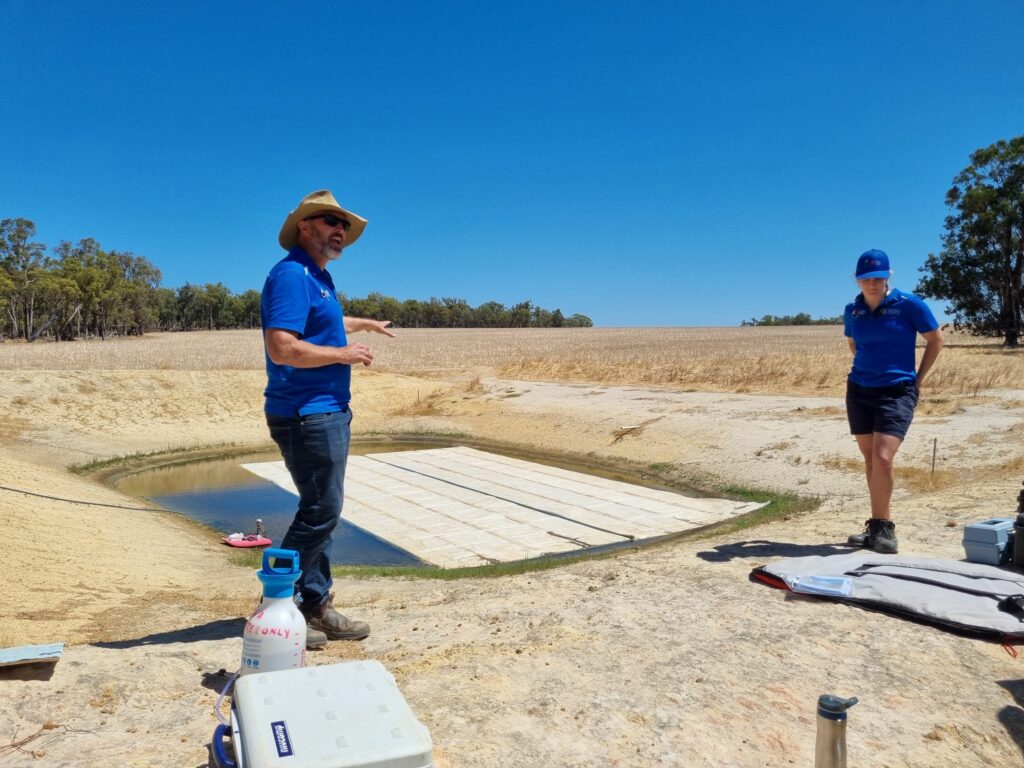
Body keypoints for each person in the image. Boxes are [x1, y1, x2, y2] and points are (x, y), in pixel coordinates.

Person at [261, 189, 395, 650]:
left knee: (319, 511)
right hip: (306, 414)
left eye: (343, 225)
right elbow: (283, 345)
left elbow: (326, 319)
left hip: (327, 411)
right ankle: (277, 604)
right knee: (321, 512)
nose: (339, 231)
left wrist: (364, 324)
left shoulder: (318, 278)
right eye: (329, 221)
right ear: (304, 226)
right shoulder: (293, 275)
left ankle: (315, 604)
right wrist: (343, 353)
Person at [844, 249, 944, 554]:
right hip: (860, 390)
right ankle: (876, 525)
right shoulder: (853, 310)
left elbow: (936, 339)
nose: (873, 284)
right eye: (866, 279)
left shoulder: (909, 304)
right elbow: (853, 344)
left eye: (879, 277)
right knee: (870, 459)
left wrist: (918, 379)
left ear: (889, 276)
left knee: (884, 457)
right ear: (857, 280)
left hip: (897, 390)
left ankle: (886, 529)